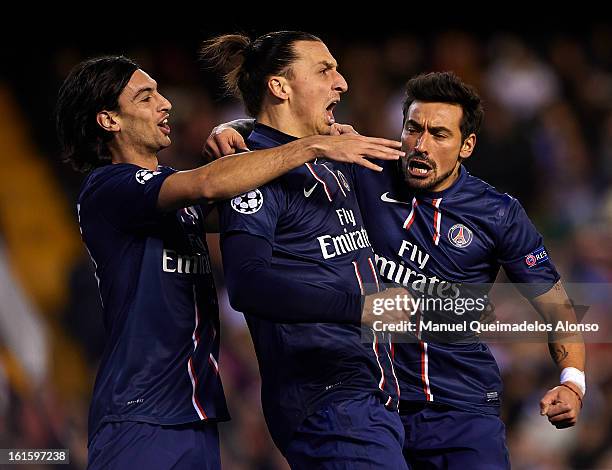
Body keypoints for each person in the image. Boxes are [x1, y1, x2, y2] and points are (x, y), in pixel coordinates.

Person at [208, 71, 586, 469]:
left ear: (467, 145)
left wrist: (572, 382)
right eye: (413, 129)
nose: (421, 145)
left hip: (462, 407)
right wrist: (232, 127)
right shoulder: (362, 168)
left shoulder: (498, 213)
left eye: (439, 134)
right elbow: (292, 129)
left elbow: (555, 304)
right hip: (376, 404)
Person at [55, 55, 404, 469]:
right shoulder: (108, 188)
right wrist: (311, 145)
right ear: (109, 120)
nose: (165, 104)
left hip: (194, 413)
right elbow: (210, 182)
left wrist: (235, 128)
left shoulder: (174, 197)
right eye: (146, 97)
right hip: (139, 413)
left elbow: (251, 201)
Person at [200, 32, 408, 469]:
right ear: (280, 86)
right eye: (324, 70)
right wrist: (361, 307)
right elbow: (247, 284)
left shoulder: (333, 158)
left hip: (373, 393)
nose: (342, 82)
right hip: (327, 398)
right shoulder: (251, 172)